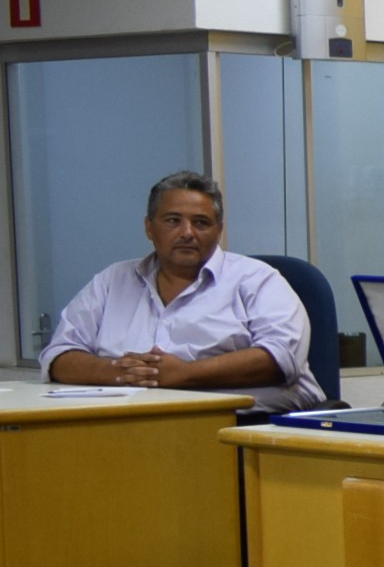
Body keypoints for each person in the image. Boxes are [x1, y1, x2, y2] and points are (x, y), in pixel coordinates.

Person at [42, 171, 322, 412]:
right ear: (149, 227)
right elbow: (59, 355)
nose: (187, 232)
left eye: (201, 222)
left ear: (219, 230)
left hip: (241, 429)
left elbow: (280, 358)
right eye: (173, 221)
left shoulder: (258, 280)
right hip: (128, 423)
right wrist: (118, 372)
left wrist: (185, 375)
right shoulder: (112, 281)